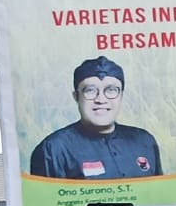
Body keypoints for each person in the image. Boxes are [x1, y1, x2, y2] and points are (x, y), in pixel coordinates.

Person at [29, 57, 162, 180]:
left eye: (111, 90)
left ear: (121, 95)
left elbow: (160, 198)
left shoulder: (144, 141)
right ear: (76, 96)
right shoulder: (53, 149)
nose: (101, 99)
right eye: (90, 91)